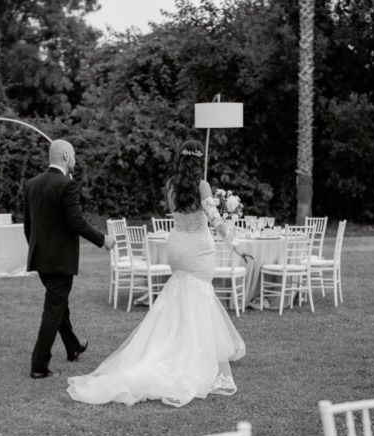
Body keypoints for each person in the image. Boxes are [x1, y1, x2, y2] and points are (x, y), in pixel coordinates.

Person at [67, 140, 249, 407]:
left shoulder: (170, 185)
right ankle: (193, 357)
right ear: (199, 161)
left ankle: (178, 347)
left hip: (177, 246)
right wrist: (235, 245)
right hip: (199, 248)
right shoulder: (202, 185)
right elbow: (215, 220)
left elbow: (179, 215)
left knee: (181, 300)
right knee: (199, 299)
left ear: (180, 160)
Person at [23, 139, 114, 379]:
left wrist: (37, 250)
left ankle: (73, 347)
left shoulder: (32, 183)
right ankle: (39, 366)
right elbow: (77, 222)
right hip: (60, 260)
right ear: (65, 156)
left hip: (40, 258)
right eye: (73, 155)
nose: (75, 159)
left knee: (59, 303)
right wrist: (102, 239)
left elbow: (28, 226)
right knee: (54, 309)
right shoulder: (67, 185)